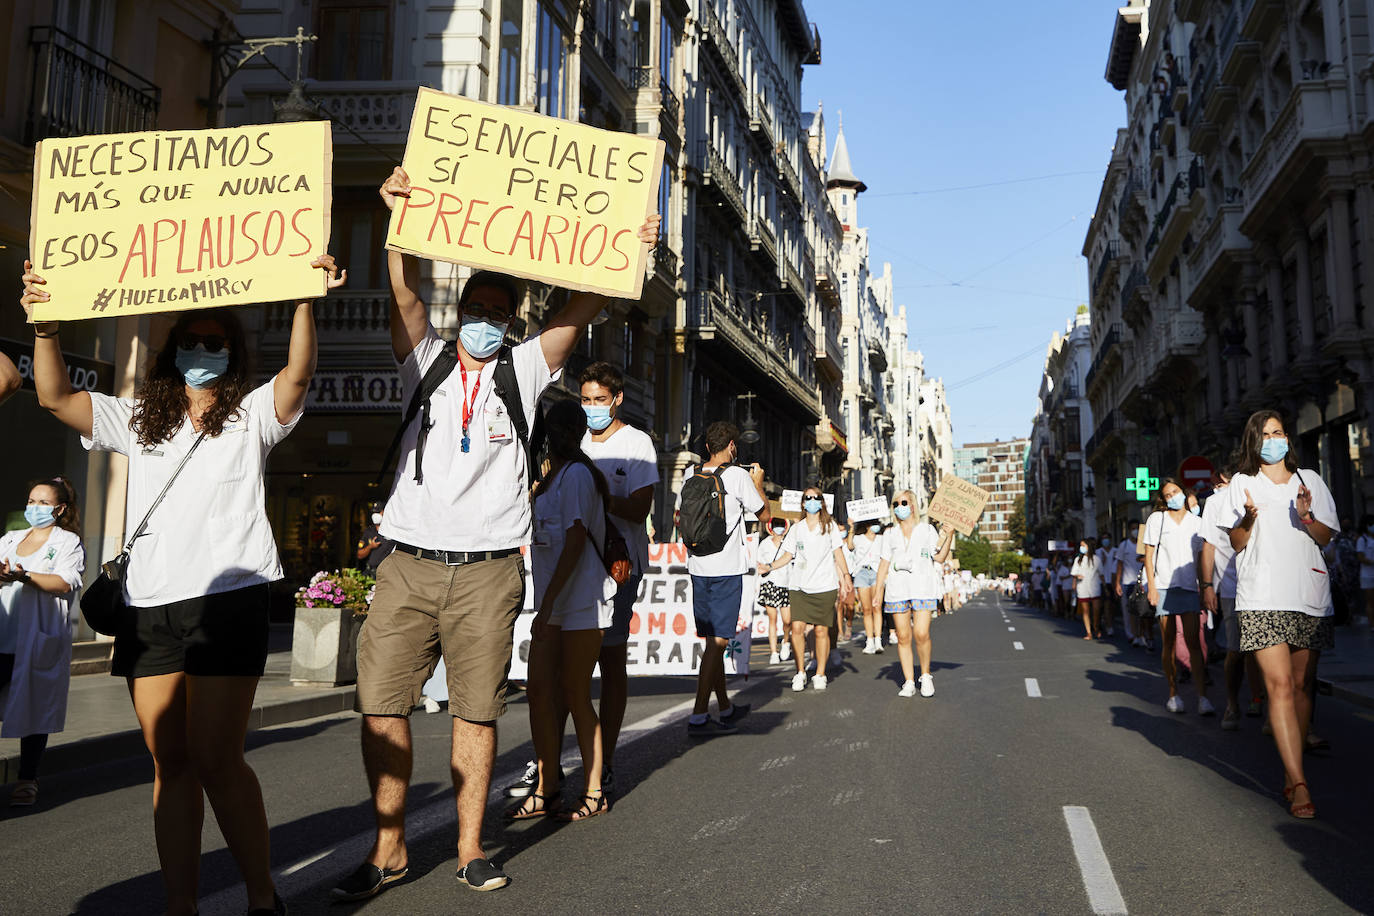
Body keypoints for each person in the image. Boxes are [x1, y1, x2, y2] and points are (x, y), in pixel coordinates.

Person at [338, 165, 660, 899]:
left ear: (512, 323)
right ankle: (387, 849)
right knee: (382, 706)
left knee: (476, 712)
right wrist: (398, 224)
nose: (483, 318)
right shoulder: (422, 363)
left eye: (497, 311)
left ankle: (471, 846)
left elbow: (580, 308)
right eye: (474, 307)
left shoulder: (521, 372)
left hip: (487, 572)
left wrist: (628, 252)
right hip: (409, 565)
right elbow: (406, 293)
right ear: (459, 313)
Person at [22, 251, 343, 915]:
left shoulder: (254, 415)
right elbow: (53, 396)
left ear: (232, 353)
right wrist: (47, 330)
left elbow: (299, 372)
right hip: (148, 608)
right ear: (174, 352)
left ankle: (261, 897)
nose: (202, 351)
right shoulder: (138, 417)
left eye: (215, 343)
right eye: (192, 342)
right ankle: (181, 905)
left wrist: (307, 300)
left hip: (229, 604)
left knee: (217, 758)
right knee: (169, 762)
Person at [1218, 410, 1338, 819]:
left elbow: (1325, 537)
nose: (1274, 439)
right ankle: (1299, 780)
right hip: (1262, 596)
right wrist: (1249, 518)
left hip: (1308, 592)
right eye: (1266, 434)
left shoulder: (1311, 481)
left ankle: (1292, 768)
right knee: (1281, 686)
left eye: (1279, 432)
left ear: (1288, 438)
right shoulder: (1242, 484)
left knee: (1303, 685)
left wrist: (1306, 515)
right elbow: (1235, 543)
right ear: (1254, 441)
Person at [510, 401, 616, 822]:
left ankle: (593, 789)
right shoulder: (550, 480)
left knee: (574, 694)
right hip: (551, 603)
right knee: (538, 692)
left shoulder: (576, 476)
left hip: (581, 603)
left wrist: (549, 602)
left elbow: (574, 541)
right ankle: (548, 786)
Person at [577, 360, 658, 791]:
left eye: (599, 401)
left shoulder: (637, 444)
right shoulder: (574, 441)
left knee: (609, 661)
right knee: (564, 667)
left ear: (617, 400)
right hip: (573, 567)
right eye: (586, 400)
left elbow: (640, 508)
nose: (592, 408)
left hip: (618, 568)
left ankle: (604, 757)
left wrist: (597, 496)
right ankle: (552, 759)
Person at [677, 421, 767, 732]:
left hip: (698, 567)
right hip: (727, 570)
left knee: (711, 642)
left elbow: (680, 516)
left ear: (706, 448)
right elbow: (763, 513)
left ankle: (725, 708)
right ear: (731, 446)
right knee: (718, 642)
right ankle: (699, 713)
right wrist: (759, 483)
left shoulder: (691, 474)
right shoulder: (739, 476)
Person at [0, 476, 84, 806]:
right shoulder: (11, 538)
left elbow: (66, 582)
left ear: (60, 509)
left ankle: (27, 778)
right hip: (4, 631)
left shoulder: (67, 543)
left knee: (34, 706)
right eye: (32, 501)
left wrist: (24, 576)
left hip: (35, 639)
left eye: (43, 503)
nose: (35, 508)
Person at [760, 485, 854, 692]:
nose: (812, 501)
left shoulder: (829, 527)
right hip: (799, 586)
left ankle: (820, 673)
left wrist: (846, 576)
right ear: (803, 503)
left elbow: (838, 553)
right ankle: (800, 672)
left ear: (821, 502)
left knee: (821, 631)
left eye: (816, 498)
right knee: (797, 629)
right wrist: (768, 566)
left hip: (825, 586)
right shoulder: (797, 529)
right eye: (808, 498)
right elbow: (787, 555)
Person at [873, 490, 953, 697]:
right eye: (896, 504)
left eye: (904, 502)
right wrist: (878, 590)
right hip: (897, 590)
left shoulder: (927, 530)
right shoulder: (889, 534)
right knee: (903, 636)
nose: (900, 506)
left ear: (913, 506)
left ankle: (925, 676)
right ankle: (908, 681)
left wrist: (950, 535)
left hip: (923, 588)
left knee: (921, 633)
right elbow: (884, 563)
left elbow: (940, 558)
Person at [1143, 478, 1212, 716]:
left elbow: (1204, 558)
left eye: (1175, 491)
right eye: (1167, 495)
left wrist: (1205, 587)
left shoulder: (1197, 522)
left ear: (1184, 492)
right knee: (1169, 643)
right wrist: (1151, 587)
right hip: (1163, 588)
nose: (1172, 496)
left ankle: (1203, 697)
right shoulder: (1157, 519)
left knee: (1194, 644)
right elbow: (1148, 554)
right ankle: (1173, 694)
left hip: (1190, 588)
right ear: (1163, 500)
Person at [1199, 463, 1259, 731]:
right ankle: (1232, 703)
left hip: (1266, 587)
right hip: (1233, 588)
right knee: (1236, 650)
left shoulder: (1264, 492)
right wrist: (1208, 585)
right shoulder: (1215, 503)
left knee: (1263, 651)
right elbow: (1209, 545)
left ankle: (1261, 700)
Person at [757, 518, 792, 664]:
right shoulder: (764, 544)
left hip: (786, 583)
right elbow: (758, 562)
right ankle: (773, 652)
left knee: (787, 620)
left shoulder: (789, 542)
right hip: (770, 583)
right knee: (772, 618)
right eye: (775, 525)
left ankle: (785, 641)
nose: (778, 528)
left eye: (781, 525)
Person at [848, 521, 883, 654]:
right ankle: (870, 640)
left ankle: (878, 639)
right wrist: (851, 528)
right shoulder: (858, 538)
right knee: (867, 609)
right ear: (867, 525)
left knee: (877, 607)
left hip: (877, 572)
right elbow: (850, 546)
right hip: (862, 573)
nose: (876, 526)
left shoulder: (882, 539)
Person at [1071, 538, 1103, 640]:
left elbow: (1101, 574)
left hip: (1094, 587)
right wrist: (1076, 579)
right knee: (1085, 611)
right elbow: (1074, 573)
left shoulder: (1096, 559)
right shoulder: (1078, 560)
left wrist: (1105, 586)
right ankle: (1089, 632)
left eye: (1083, 545)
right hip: (1082, 587)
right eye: (1081, 546)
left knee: (1096, 610)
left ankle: (1096, 627)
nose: (1082, 548)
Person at [356, 506, 395, 572]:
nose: (375, 515)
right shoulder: (369, 531)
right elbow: (359, 555)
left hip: (385, 572)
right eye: (374, 512)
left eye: (378, 512)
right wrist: (370, 546)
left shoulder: (392, 532)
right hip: (370, 572)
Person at [1096, 537, 1118, 636]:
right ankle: (1108, 626)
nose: (1106, 541)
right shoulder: (1098, 552)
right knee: (1106, 605)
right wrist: (1103, 561)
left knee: (1113, 606)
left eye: (1107, 538)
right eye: (1103, 539)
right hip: (1103, 582)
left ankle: (1108, 621)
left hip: (1113, 582)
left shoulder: (1115, 551)